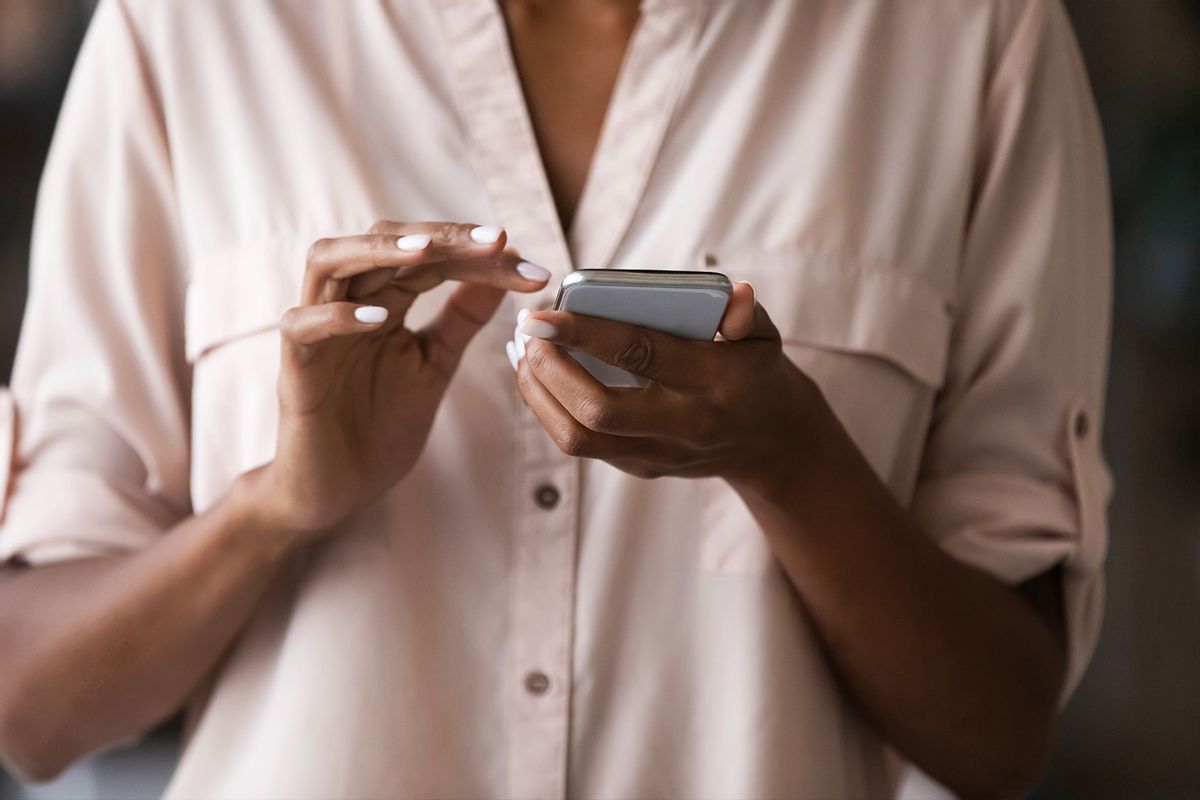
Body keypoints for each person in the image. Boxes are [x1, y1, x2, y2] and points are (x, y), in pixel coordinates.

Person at [0, 0, 1112, 797]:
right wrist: (277, 502)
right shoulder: (188, 31)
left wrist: (793, 458)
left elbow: (1001, 733)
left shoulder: (975, 36)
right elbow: (34, 709)